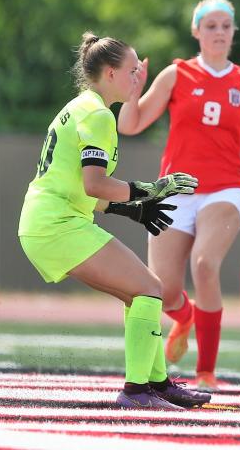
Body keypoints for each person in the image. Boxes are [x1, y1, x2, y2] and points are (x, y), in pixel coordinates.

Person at [117, 0, 240, 390]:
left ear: (233, 31)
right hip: (175, 190)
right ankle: (187, 317)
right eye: (210, 26)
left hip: (224, 189)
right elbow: (132, 124)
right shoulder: (176, 75)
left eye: (226, 26)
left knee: (206, 263)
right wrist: (132, 92)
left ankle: (206, 372)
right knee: (162, 289)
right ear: (196, 31)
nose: (219, 33)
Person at [18, 32, 211, 410]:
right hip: (55, 225)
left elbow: (82, 188)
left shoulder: (81, 106)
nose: (139, 76)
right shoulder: (98, 114)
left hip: (48, 221)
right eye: (133, 70)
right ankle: (138, 391)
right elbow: (95, 183)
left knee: (139, 292)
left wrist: (133, 208)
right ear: (109, 73)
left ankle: (156, 383)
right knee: (150, 289)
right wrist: (149, 190)